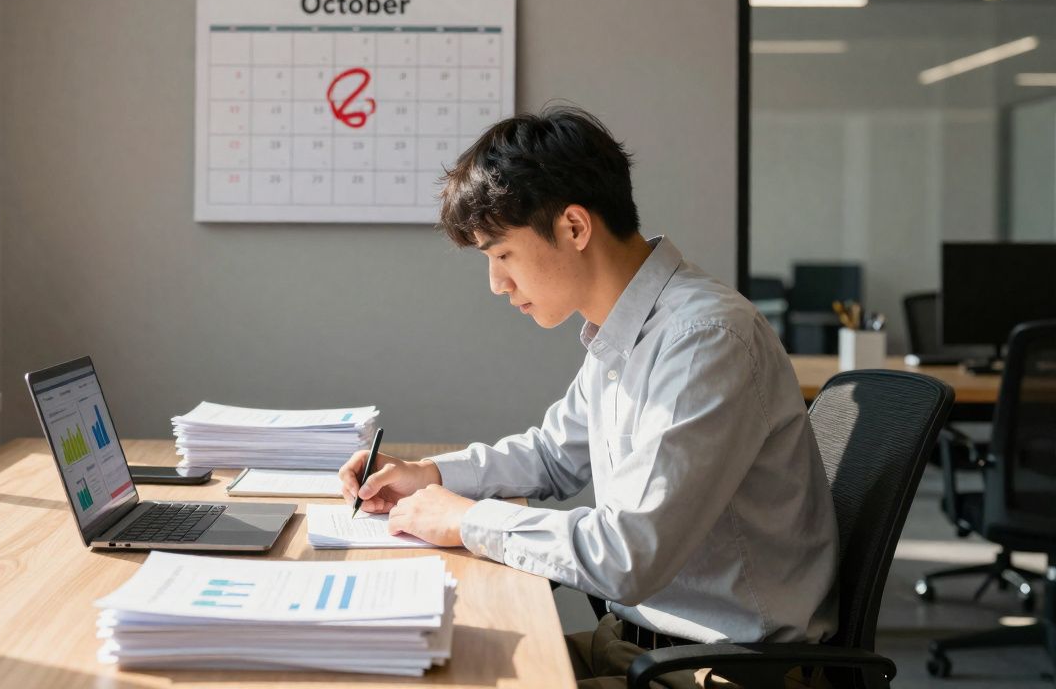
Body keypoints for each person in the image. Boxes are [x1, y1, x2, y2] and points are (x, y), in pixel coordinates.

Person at [338, 106, 839, 688]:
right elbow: (553, 455)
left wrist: (467, 519)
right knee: (425, 669)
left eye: (502, 255)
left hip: (725, 673)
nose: (497, 284)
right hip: (636, 650)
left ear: (574, 228)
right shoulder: (627, 328)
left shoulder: (704, 339)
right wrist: (429, 475)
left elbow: (628, 555)